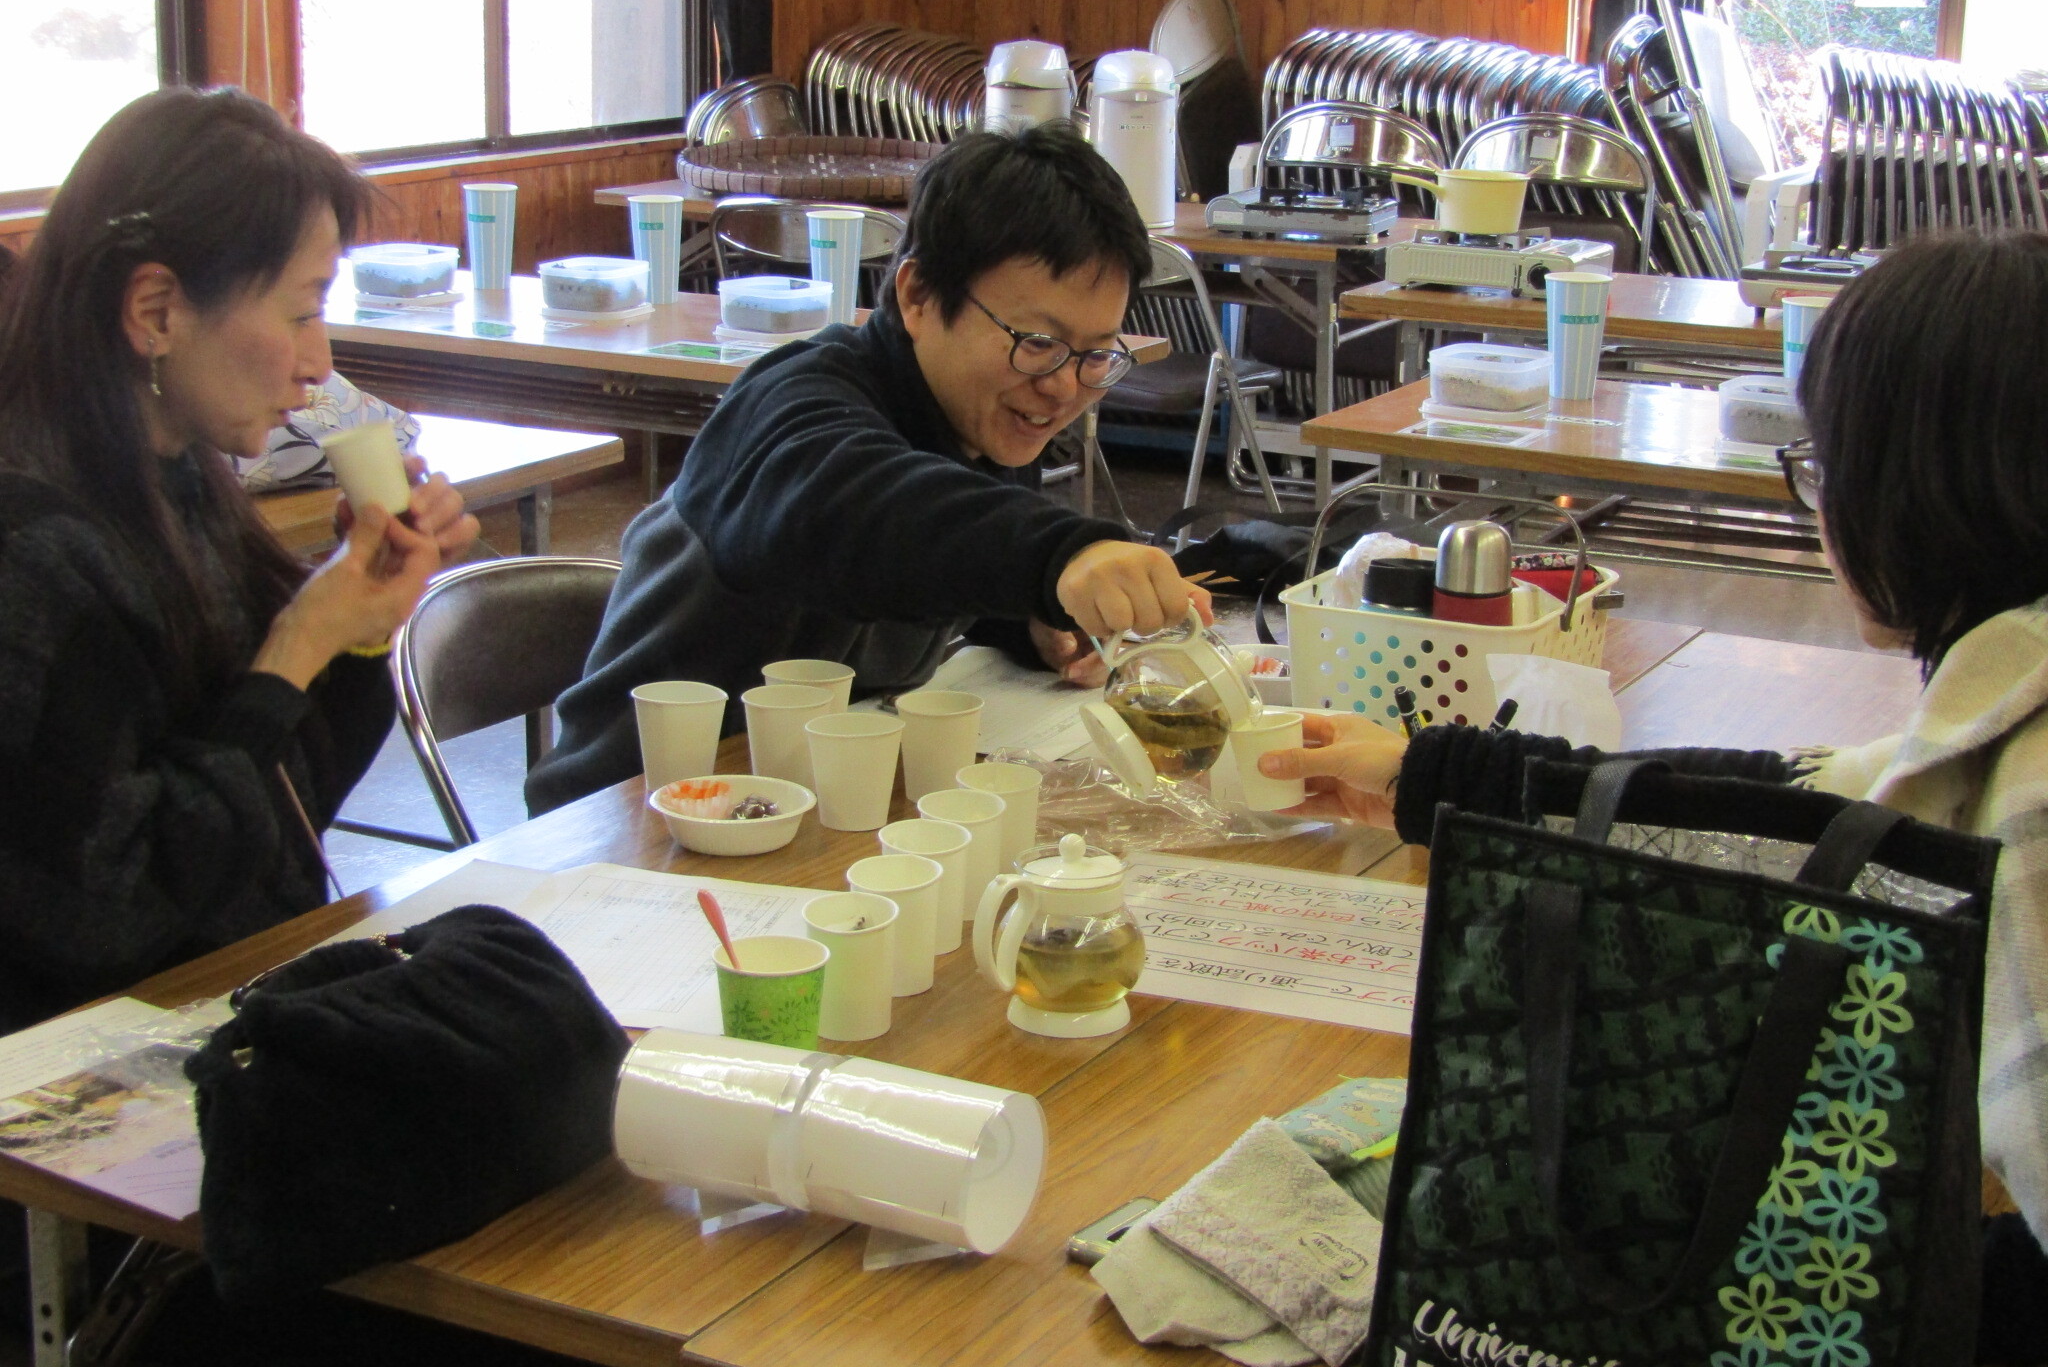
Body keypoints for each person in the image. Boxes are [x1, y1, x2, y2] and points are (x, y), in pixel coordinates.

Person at [1254, 229, 2048, 1364]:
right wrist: (1433, 775)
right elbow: (1801, 809)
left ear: (1915, 489)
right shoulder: (2010, 697)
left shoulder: (2033, 790)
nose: (1817, 506)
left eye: (1823, 468)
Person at [528, 122, 1209, 812]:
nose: (1063, 387)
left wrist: (1027, 619)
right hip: (626, 813)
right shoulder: (790, 404)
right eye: (1037, 342)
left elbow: (933, 561)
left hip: (812, 802)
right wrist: (1059, 555)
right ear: (918, 296)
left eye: (1097, 355)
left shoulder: (986, 417)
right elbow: (862, 513)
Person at [0, 86, 480, 1035]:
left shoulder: (175, 477)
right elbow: (101, 913)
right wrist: (296, 644)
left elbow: (279, 809)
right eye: (301, 312)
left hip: (222, 1002)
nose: (319, 361)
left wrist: (357, 625)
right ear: (155, 311)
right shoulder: (32, 554)